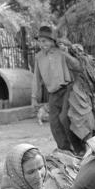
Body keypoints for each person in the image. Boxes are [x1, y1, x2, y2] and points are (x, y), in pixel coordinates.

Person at [31, 25, 84, 154]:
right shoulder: (39, 57)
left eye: (44, 41)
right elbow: (36, 78)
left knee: (64, 118)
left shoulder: (61, 52)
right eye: (39, 41)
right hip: (53, 94)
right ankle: (64, 149)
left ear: (52, 41)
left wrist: (66, 53)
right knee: (54, 123)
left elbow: (78, 67)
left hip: (67, 89)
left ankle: (78, 148)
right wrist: (34, 97)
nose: (41, 44)